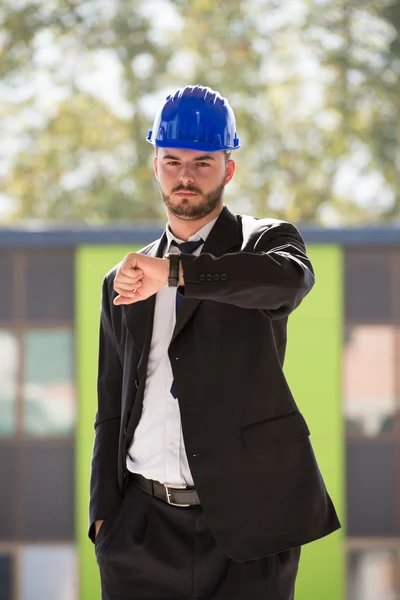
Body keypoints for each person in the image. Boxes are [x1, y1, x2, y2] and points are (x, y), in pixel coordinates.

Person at [89, 84, 341, 600]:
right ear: (154, 165)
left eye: (203, 162)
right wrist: (103, 519)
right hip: (139, 531)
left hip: (250, 533)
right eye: (173, 160)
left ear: (228, 168)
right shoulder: (125, 278)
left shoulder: (267, 242)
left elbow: (288, 283)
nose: (186, 175)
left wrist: (176, 272)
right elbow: (111, 405)